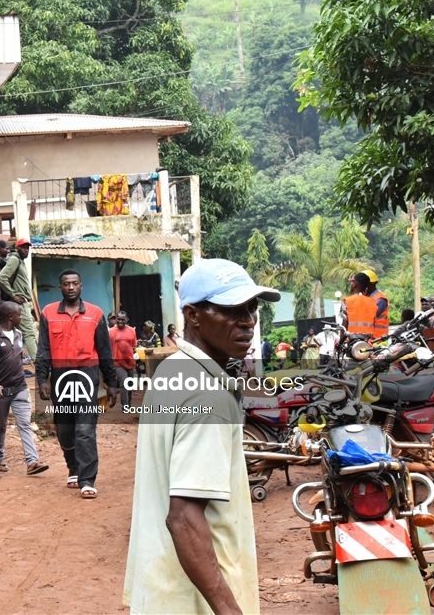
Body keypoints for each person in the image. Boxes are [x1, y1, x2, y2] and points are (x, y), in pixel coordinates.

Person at [123, 258, 278, 614]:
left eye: (251, 308)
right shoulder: (207, 395)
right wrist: (228, 609)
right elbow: (184, 518)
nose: (248, 321)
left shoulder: (171, 371)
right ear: (193, 315)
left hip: (164, 591)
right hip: (195, 603)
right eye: (231, 309)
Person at [35, 269, 118, 500]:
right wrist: (42, 378)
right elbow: (43, 349)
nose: (71, 287)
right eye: (66, 284)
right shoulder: (48, 313)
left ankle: (87, 479)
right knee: (64, 429)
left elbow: (104, 350)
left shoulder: (95, 313)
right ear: (60, 287)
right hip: (60, 377)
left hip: (87, 375)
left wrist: (111, 382)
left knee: (85, 429)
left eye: (74, 283)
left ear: (81, 286)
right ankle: (73, 467)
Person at [0, 302, 49, 476]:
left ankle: (32, 462)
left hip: (20, 388)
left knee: (25, 424)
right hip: (1, 391)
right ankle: (0, 456)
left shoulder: (19, 335)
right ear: (10, 316)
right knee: (1, 426)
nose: (22, 317)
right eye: (20, 314)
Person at [0, 238, 38, 360]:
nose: (26, 250)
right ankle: (39, 364)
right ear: (18, 248)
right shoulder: (15, 259)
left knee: (18, 335)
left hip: (23, 303)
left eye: (27, 248)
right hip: (19, 304)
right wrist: (13, 294)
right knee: (29, 334)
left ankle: (13, 362)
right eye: (23, 247)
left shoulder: (19, 261)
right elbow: (2, 278)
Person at [110, 311, 138, 410]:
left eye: (123, 319)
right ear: (116, 319)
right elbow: (108, 347)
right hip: (117, 362)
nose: (120, 321)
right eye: (119, 319)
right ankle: (124, 405)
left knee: (130, 383)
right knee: (124, 382)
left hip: (129, 361)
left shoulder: (132, 331)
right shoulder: (111, 331)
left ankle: (129, 403)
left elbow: (133, 345)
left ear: (126, 320)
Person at [363, 271, 390, 336]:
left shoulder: (380, 299)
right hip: (370, 338)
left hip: (378, 339)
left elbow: (368, 317)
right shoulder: (367, 297)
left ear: (370, 284)